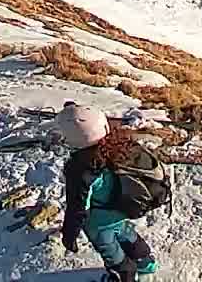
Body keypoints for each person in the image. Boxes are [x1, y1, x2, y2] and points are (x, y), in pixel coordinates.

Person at [56, 102, 165, 280]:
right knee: (124, 232)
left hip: (100, 219)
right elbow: (85, 122)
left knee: (109, 246)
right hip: (124, 205)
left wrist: (69, 235)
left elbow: (78, 207)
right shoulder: (120, 145)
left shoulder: (81, 169)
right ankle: (146, 262)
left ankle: (124, 274)